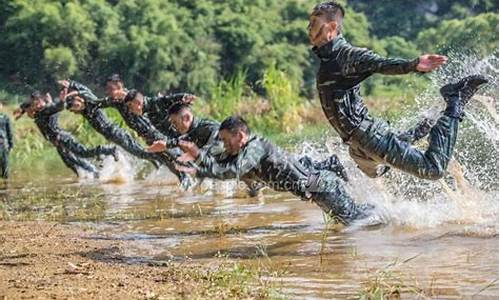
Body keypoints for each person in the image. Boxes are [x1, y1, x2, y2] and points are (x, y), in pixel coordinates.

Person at [308, 1, 488, 179]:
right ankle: (425, 125)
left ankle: (454, 101)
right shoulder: (328, 58)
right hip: (357, 146)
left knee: (433, 169)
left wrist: (413, 64)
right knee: (377, 172)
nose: (309, 28)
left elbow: (379, 63)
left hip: (368, 137)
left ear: (331, 28)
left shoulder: (346, 55)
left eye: (314, 23)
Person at [175, 116, 372, 225]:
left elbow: (232, 171)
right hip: (314, 189)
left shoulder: (254, 148)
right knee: (353, 221)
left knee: (357, 221)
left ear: (240, 135)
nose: (225, 145)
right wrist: (198, 162)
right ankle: (391, 212)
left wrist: (199, 159)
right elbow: (222, 165)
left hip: (319, 185)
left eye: (227, 140)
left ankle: (396, 215)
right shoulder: (242, 152)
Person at [14, 91, 117, 178]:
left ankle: (109, 150)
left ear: (41, 101)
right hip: (58, 141)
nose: (33, 107)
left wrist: (62, 100)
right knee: (71, 162)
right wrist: (21, 111)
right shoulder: (38, 111)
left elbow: (58, 107)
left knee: (83, 153)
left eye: (36, 103)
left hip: (63, 138)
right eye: (32, 105)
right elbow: (25, 105)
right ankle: (92, 174)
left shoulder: (47, 109)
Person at [0, 103, 13, 178]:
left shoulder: (5, 117)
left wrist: (11, 145)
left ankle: (6, 184)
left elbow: (9, 132)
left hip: (3, 144)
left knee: (5, 165)